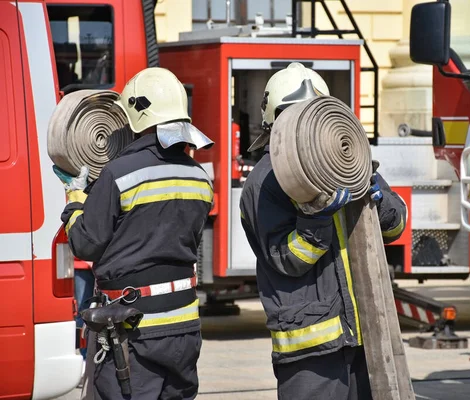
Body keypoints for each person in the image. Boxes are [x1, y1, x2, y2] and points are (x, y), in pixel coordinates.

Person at [239, 63, 408, 400]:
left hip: (363, 338)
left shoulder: (347, 158)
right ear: (278, 120)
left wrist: (380, 202)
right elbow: (287, 259)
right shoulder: (266, 181)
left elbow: (397, 226)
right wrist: (316, 217)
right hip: (310, 353)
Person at [55, 67, 214, 399]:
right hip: (184, 328)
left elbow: (86, 243)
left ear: (135, 118)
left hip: (133, 329)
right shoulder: (200, 177)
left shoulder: (118, 174)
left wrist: (74, 199)